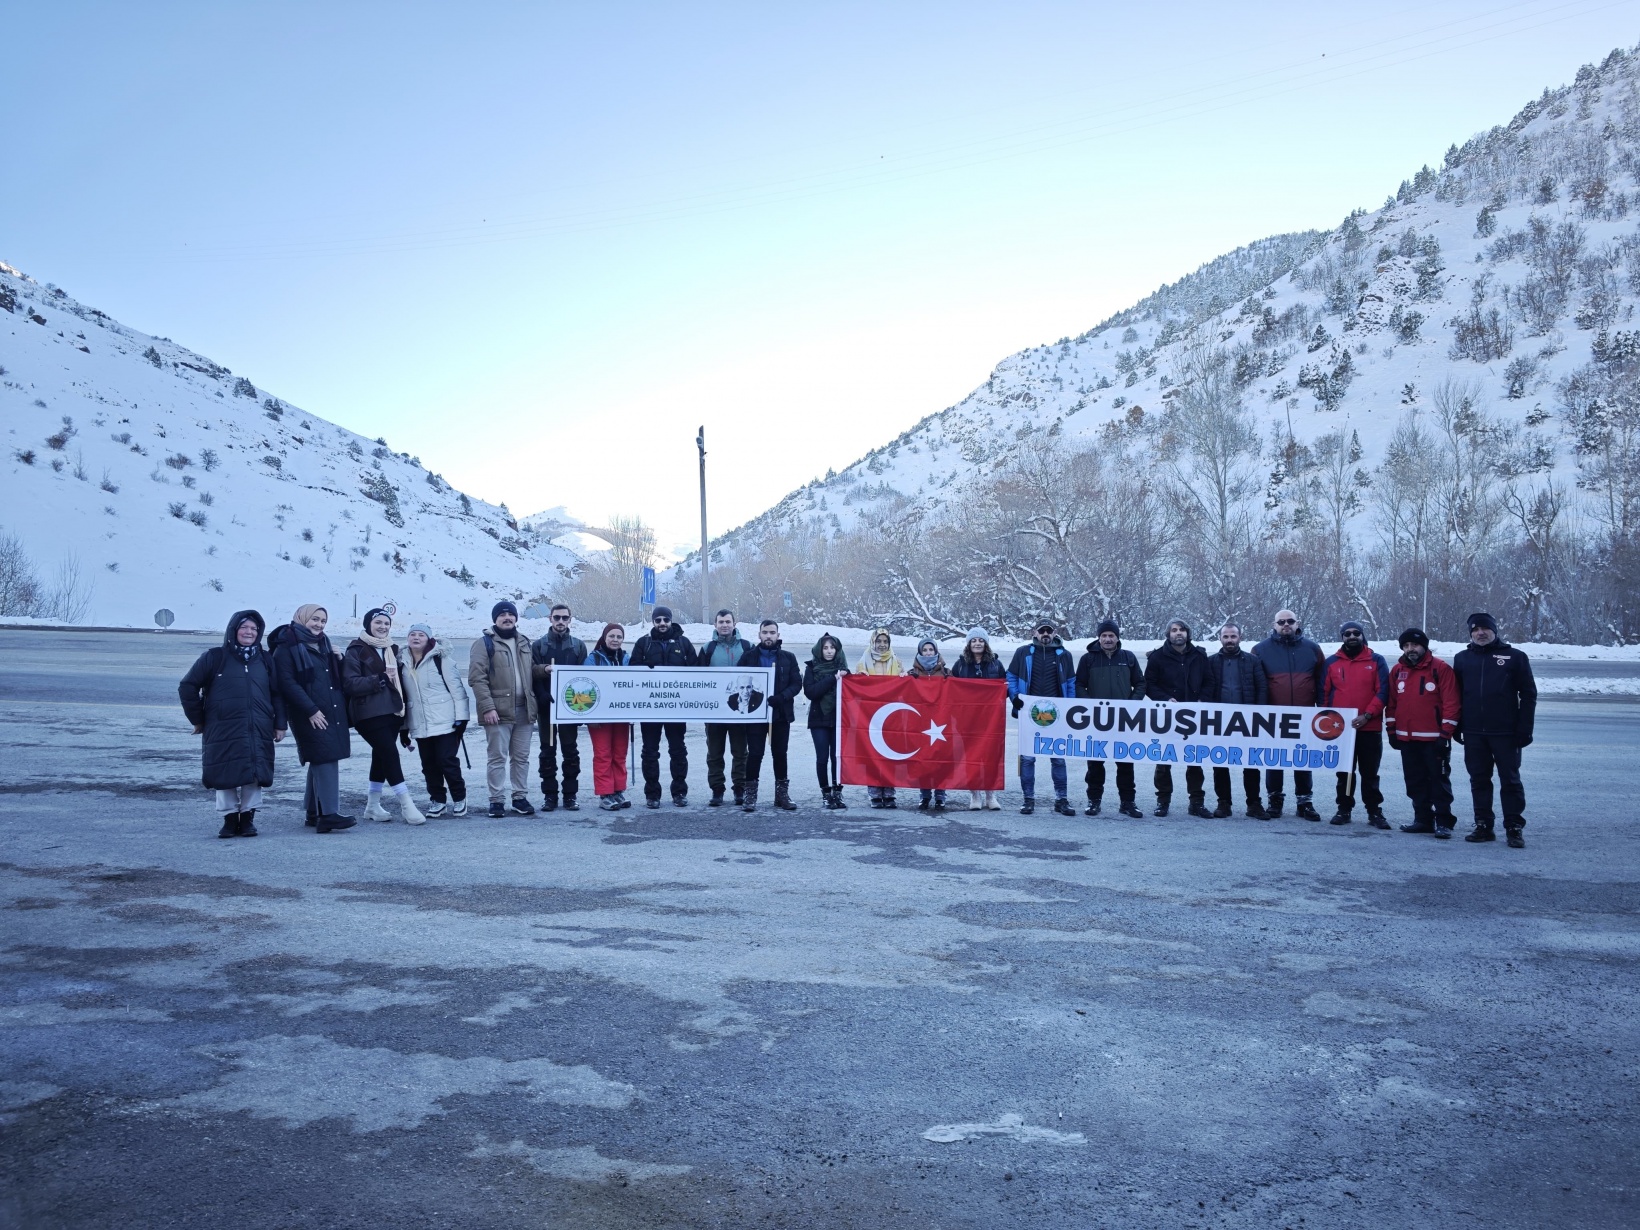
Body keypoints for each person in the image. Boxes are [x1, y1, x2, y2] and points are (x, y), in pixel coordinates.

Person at [179, 609, 285, 838]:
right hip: (223, 727)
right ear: (234, 630)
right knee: (225, 771)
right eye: (244, 627)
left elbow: (277, 693)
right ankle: (229, 819)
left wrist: (280, 723)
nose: (249, 632)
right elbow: (187, 686)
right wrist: (197, 719)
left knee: (255, 771)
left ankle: (247, 819)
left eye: (254, 629)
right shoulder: (214, 657)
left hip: (258, 726)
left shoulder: (265, 659)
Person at [1451, 613, 1537, 848]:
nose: (1480, 633)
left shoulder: (1514, 657)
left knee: (1510, 780)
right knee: (1479, 779)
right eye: (1475, 629)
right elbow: (1456, 695)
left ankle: (1514, 827)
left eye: (1485, 629)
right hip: (1474, 732)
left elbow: (1528, 694)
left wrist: (1524, 728)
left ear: (1494, 630)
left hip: (1506, 733)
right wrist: (1457, 725)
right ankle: (1483, 825)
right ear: (1470, 633)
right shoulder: (1462, 659)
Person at [269, 604, 355, 833]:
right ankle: (329, 815)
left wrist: (339, 657)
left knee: (321, 757)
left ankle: (313, 812)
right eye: (314, 619)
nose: (318, 624)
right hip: (308, 713)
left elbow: (331, 677)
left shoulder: (324, 644)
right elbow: (286, 683)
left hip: (332, 709)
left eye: (323, 621)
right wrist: (311, 710)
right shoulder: (286, 648)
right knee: (326, 757)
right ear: (301, 618)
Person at [343, 608, 424, 825]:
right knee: (389, 753)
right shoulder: (356, 650)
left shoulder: (392, 649)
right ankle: (406, 803)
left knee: (380, 755)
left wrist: (405, 723)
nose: (382, 627)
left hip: (393, 712)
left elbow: (402, 684)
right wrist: (378, 678)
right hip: (367, 713)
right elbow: (349, 683)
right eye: (378, 622)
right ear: (368, 624)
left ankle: (372, 806)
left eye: (386, 624)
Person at [1384, 628, 1461, 839]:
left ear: (1424, 646)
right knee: (1415, 780)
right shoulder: (1397, 670)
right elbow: (1391, 704)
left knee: (1438, 780)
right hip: (1407, 739)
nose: (1411, 649)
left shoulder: (1441, 668)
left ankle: (1444, 821)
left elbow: (1452, 703)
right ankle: (1423, 819)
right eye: (1406, 646)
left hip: (1434, 739)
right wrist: (1391, 730)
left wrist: (1445, 734)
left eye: (1415, 645)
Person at [1250, 609, 1326, 821]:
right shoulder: (1260, 649)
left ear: (1297, 623)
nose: (1286, 625)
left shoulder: (1312, 648)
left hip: (1305, 715)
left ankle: (1305, 802)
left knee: (1302, 758)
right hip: (1273, 716)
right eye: (1281, 622)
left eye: (1290, 621)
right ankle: (1275, 801)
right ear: (1274, 625)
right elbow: (1255, 682)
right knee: (1275, 760)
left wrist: (1324, 708)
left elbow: (1321, 680)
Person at [469, 600, 537, 818]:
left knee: (521, 758)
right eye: (502, 615)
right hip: (497, 712)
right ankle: (496, 800)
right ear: (495, 619)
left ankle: (519, 797)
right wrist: (488, 707)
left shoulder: (524, 642)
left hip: (524, 710)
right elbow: (477, 679)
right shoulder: (484, 644)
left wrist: (545, 669)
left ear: (516, 618)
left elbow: (530, 672)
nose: (507, 617)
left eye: (511, 614)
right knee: (497, 757)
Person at [1322, 620, 1390, 829]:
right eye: (1347, 634)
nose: (1352, 637)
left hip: (1369, 727)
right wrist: (1326, 721)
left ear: (1362, 636)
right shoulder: (1331, 662)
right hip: (1341, 730)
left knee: (1370, 773)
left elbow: (1383, 691)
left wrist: (1368, 715)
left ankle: (1374, 811)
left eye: (1356, 633)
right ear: (1342, 637)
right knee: (1345, 773)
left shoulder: (1376, 660)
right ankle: (1344, 809)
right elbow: (1323, 695)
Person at [629, 605, 697, 808]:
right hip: (650, 708)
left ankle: (679, 792)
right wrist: (646, 669)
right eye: (658, 620)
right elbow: (632, 669)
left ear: (671, 621)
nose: (662, 624)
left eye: (665, 620)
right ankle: (652, 794)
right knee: (650, 751)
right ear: (653, 622)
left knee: (678, 751)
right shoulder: (644, 643)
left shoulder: (683, 643)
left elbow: (696, 670)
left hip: (676, 707)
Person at [1075, 619, 1144, 818]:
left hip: (1124, 721)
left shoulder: (1128, 657)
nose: (1107, 639)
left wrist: (1132, 703)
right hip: (1097, 721)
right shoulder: (1088, 659)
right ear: (1099, 637)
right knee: (1095, 764)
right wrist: (1090, 705)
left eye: (1111, 635)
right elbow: (1079, 685)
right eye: (1104, 635)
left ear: (1117, 637)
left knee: (1125, 764)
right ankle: (1094, 801)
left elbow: (1140, 683)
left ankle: (1127, 802)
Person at [1008, 621, 1077, 817]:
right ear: (1035, 633)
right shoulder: (1023, 653)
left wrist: (1069, 706)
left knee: (1058, 759)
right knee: (1028, 759)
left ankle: (1061, 799)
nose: (1045, 633)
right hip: (1029, 714)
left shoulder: (1064, 654)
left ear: (1055, 632)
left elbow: (1071, 682)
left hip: (1056, 715)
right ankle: (1028, 799)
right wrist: (1015, 697)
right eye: (1042, 630)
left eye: (1049, 630)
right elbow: (1011, 677)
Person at [403, 622, 471, 817]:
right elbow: (404, 697)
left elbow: (458, 691)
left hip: (445, 721)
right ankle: (438, 799)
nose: (416, 638)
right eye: (413, 634)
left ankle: (459, 797)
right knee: (428, 764)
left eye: (421, 635)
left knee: (446, 761)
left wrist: (462, 718)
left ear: (429, 639)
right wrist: (404, 728)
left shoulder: (442, 660)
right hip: (420, 722)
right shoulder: (403, 662)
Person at [1144, 619, 1210, 816]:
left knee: (1195, 760)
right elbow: (1149, 683)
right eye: (1174, 630)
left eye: (1182, 630)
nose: (1178, 633)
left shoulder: (1199, 655)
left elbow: (1209, 680)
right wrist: (1165, 699)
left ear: (1188, 633)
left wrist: (1202, 700)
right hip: (1168, 714)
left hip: (1194, 715)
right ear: (1168, 634)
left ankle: (1196, 802)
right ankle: (1163, 801)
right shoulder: (1157, 657)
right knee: (1164, 761)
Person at [1204, 622, 1270, 818]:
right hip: (1220, 721)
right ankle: (1224, 803)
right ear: (1220, 639)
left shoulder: (1252, 661)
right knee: (1220, 763)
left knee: (1251, 763)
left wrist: (1259, 715)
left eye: (1233, 636)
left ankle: (1254, 804)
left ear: (1240, 637)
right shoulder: (1211, 661)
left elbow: (1262, 687)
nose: (1230, 640)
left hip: (1248, 720)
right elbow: (1206, 688)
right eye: (1226, 637)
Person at [739, 619, 804, 812]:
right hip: (756, 715)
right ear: (759, 635)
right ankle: (750, 795)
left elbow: (796, 684)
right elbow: (738, 679)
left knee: (780, 754)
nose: (769, 636)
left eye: (772, 632)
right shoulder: (749, 657)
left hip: (781, 714)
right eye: (765, 632)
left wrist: (782, 697)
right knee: (755, 754)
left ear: (778, 635)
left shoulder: (788, 657)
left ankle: (781, 795)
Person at [530, 603, 586, 812]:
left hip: (570, 708)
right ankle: (550, 795)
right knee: (547, 752)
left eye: (564, 618)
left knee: (570, 752)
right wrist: (542, 693)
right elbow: (532, 672)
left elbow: (584, 677)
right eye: (557, 618)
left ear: (570, 619)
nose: (560, 622)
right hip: (547, 708)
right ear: (550, 619)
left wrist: (581, 708)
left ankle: (570, 795)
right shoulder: (539, 645)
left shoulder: (578, 646)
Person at [700, 609, 753, 807]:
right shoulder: (708, 649)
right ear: (715, 625)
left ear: (734, 623)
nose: (724, 625)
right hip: (714, 711)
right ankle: (717, 790)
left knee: (740, 752)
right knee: (714, 753)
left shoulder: (747, 647)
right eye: (721, 621)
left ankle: (740, 789)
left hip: (740, 710)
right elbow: (698, 679)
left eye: (728, 621)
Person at [951, 627, 1006, 811]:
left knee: (990, 755)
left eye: (981, 640)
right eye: (974, 640)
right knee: (971, 756)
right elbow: (950, 690)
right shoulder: (959, 665)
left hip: (990, 719)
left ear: (986, 643)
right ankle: (975, 794)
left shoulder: (996, 664)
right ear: (969, 643)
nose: (977, 643)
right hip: (967, 719)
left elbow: (1003, 690)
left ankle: (991, 794)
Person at [587, 623, 633, 811]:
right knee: (603, 754)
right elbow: (586, 685)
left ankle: (618, 789)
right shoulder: (593, 659)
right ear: (605, 637)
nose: (615, 640)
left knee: (620, 753)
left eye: (619, 637)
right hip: (600, 716)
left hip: (621, 714)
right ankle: (605, 793)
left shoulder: (627, 658)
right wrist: (590, 715)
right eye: (611, 636)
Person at [858, 628, 904, 808]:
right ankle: (875, 792)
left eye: (885, 642)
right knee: (872, 753)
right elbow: (857, 684)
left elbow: (905, 685)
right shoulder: (864, 661)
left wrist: (904, 678)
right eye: (879, 642)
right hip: (871, 714)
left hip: (891, 714)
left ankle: (890, 792)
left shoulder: (896, 661)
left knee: (890, 753)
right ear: (873, 642)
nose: (882, 645)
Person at [803, 633, 849, 810]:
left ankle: (838, 792)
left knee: (837, 758)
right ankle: (826, 793)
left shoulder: (843, 668)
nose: (829, 651)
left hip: (839, 720)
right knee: (822, 758)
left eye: (832, 647)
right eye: (825, 647)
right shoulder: (812, 667)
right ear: (819, 649)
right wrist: (833, 678)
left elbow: (857, 689)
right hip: (819, 719)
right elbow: (811, 692)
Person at [908, 639, 951, 813]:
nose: (927, 653)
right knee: (923, 760)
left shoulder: (946, 672)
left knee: (941, 758)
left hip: (941, 722)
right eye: (924, 650)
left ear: (936, 652)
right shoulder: (912, 673)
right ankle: (925, 795)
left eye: (931, 649)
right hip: (921, 722)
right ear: (920, 652)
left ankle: (940, 796)